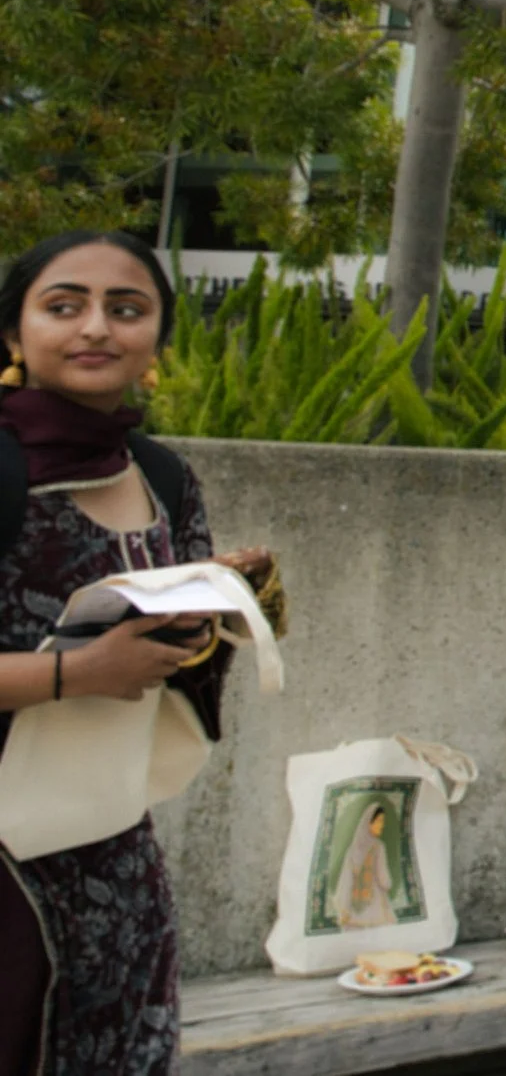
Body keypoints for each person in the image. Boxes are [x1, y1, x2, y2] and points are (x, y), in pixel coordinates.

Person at [0, 229, 277, 1076]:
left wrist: (220, 608)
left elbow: (181, 668)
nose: (96, 327)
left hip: (113, 851)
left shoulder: (164, 476)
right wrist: (75, 673)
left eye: (126, 309)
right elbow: (97, 666)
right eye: (63, 305)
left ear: (156, 339)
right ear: (13, 335)